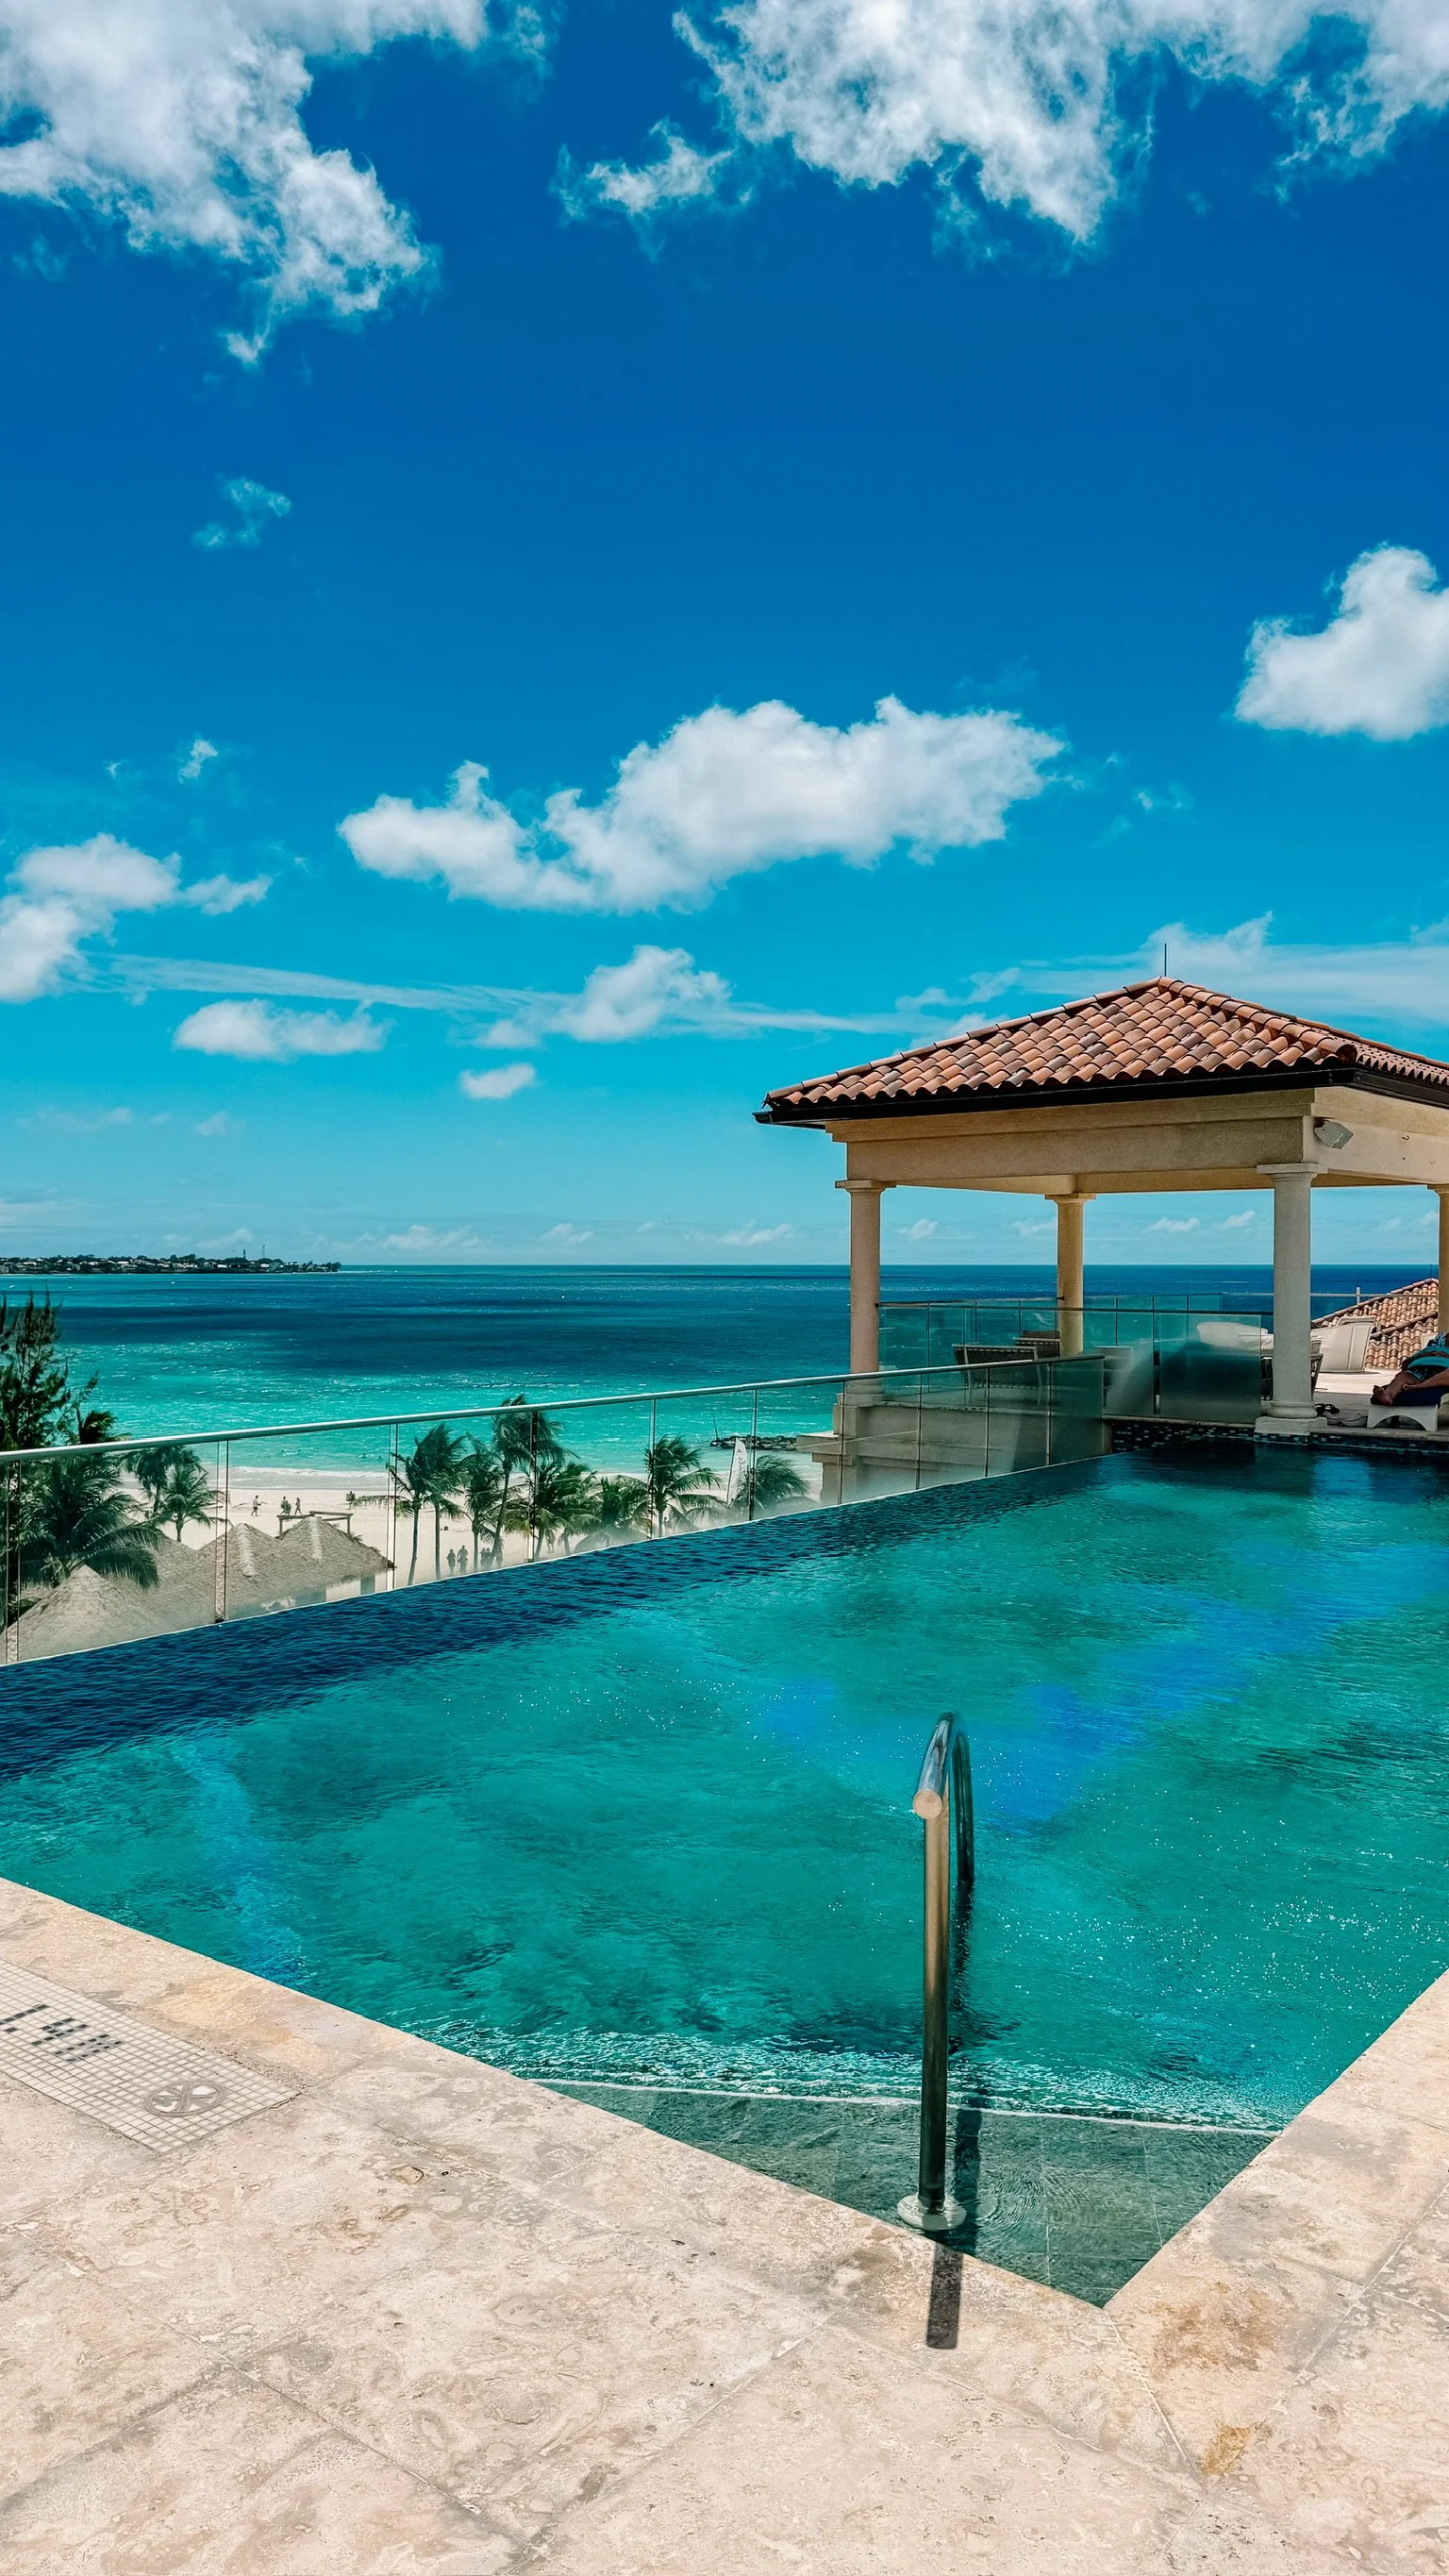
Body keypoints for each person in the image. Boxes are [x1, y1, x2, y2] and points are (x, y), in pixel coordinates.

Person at [1373, 1332, 1449, 1407]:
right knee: (1402, 1376)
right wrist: (1423, 1355)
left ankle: (1420, 1386)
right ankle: (1388, 1396)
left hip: (1443, 1371)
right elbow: (1405, 1364)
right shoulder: (1428, 1349)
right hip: (1419, 1371)